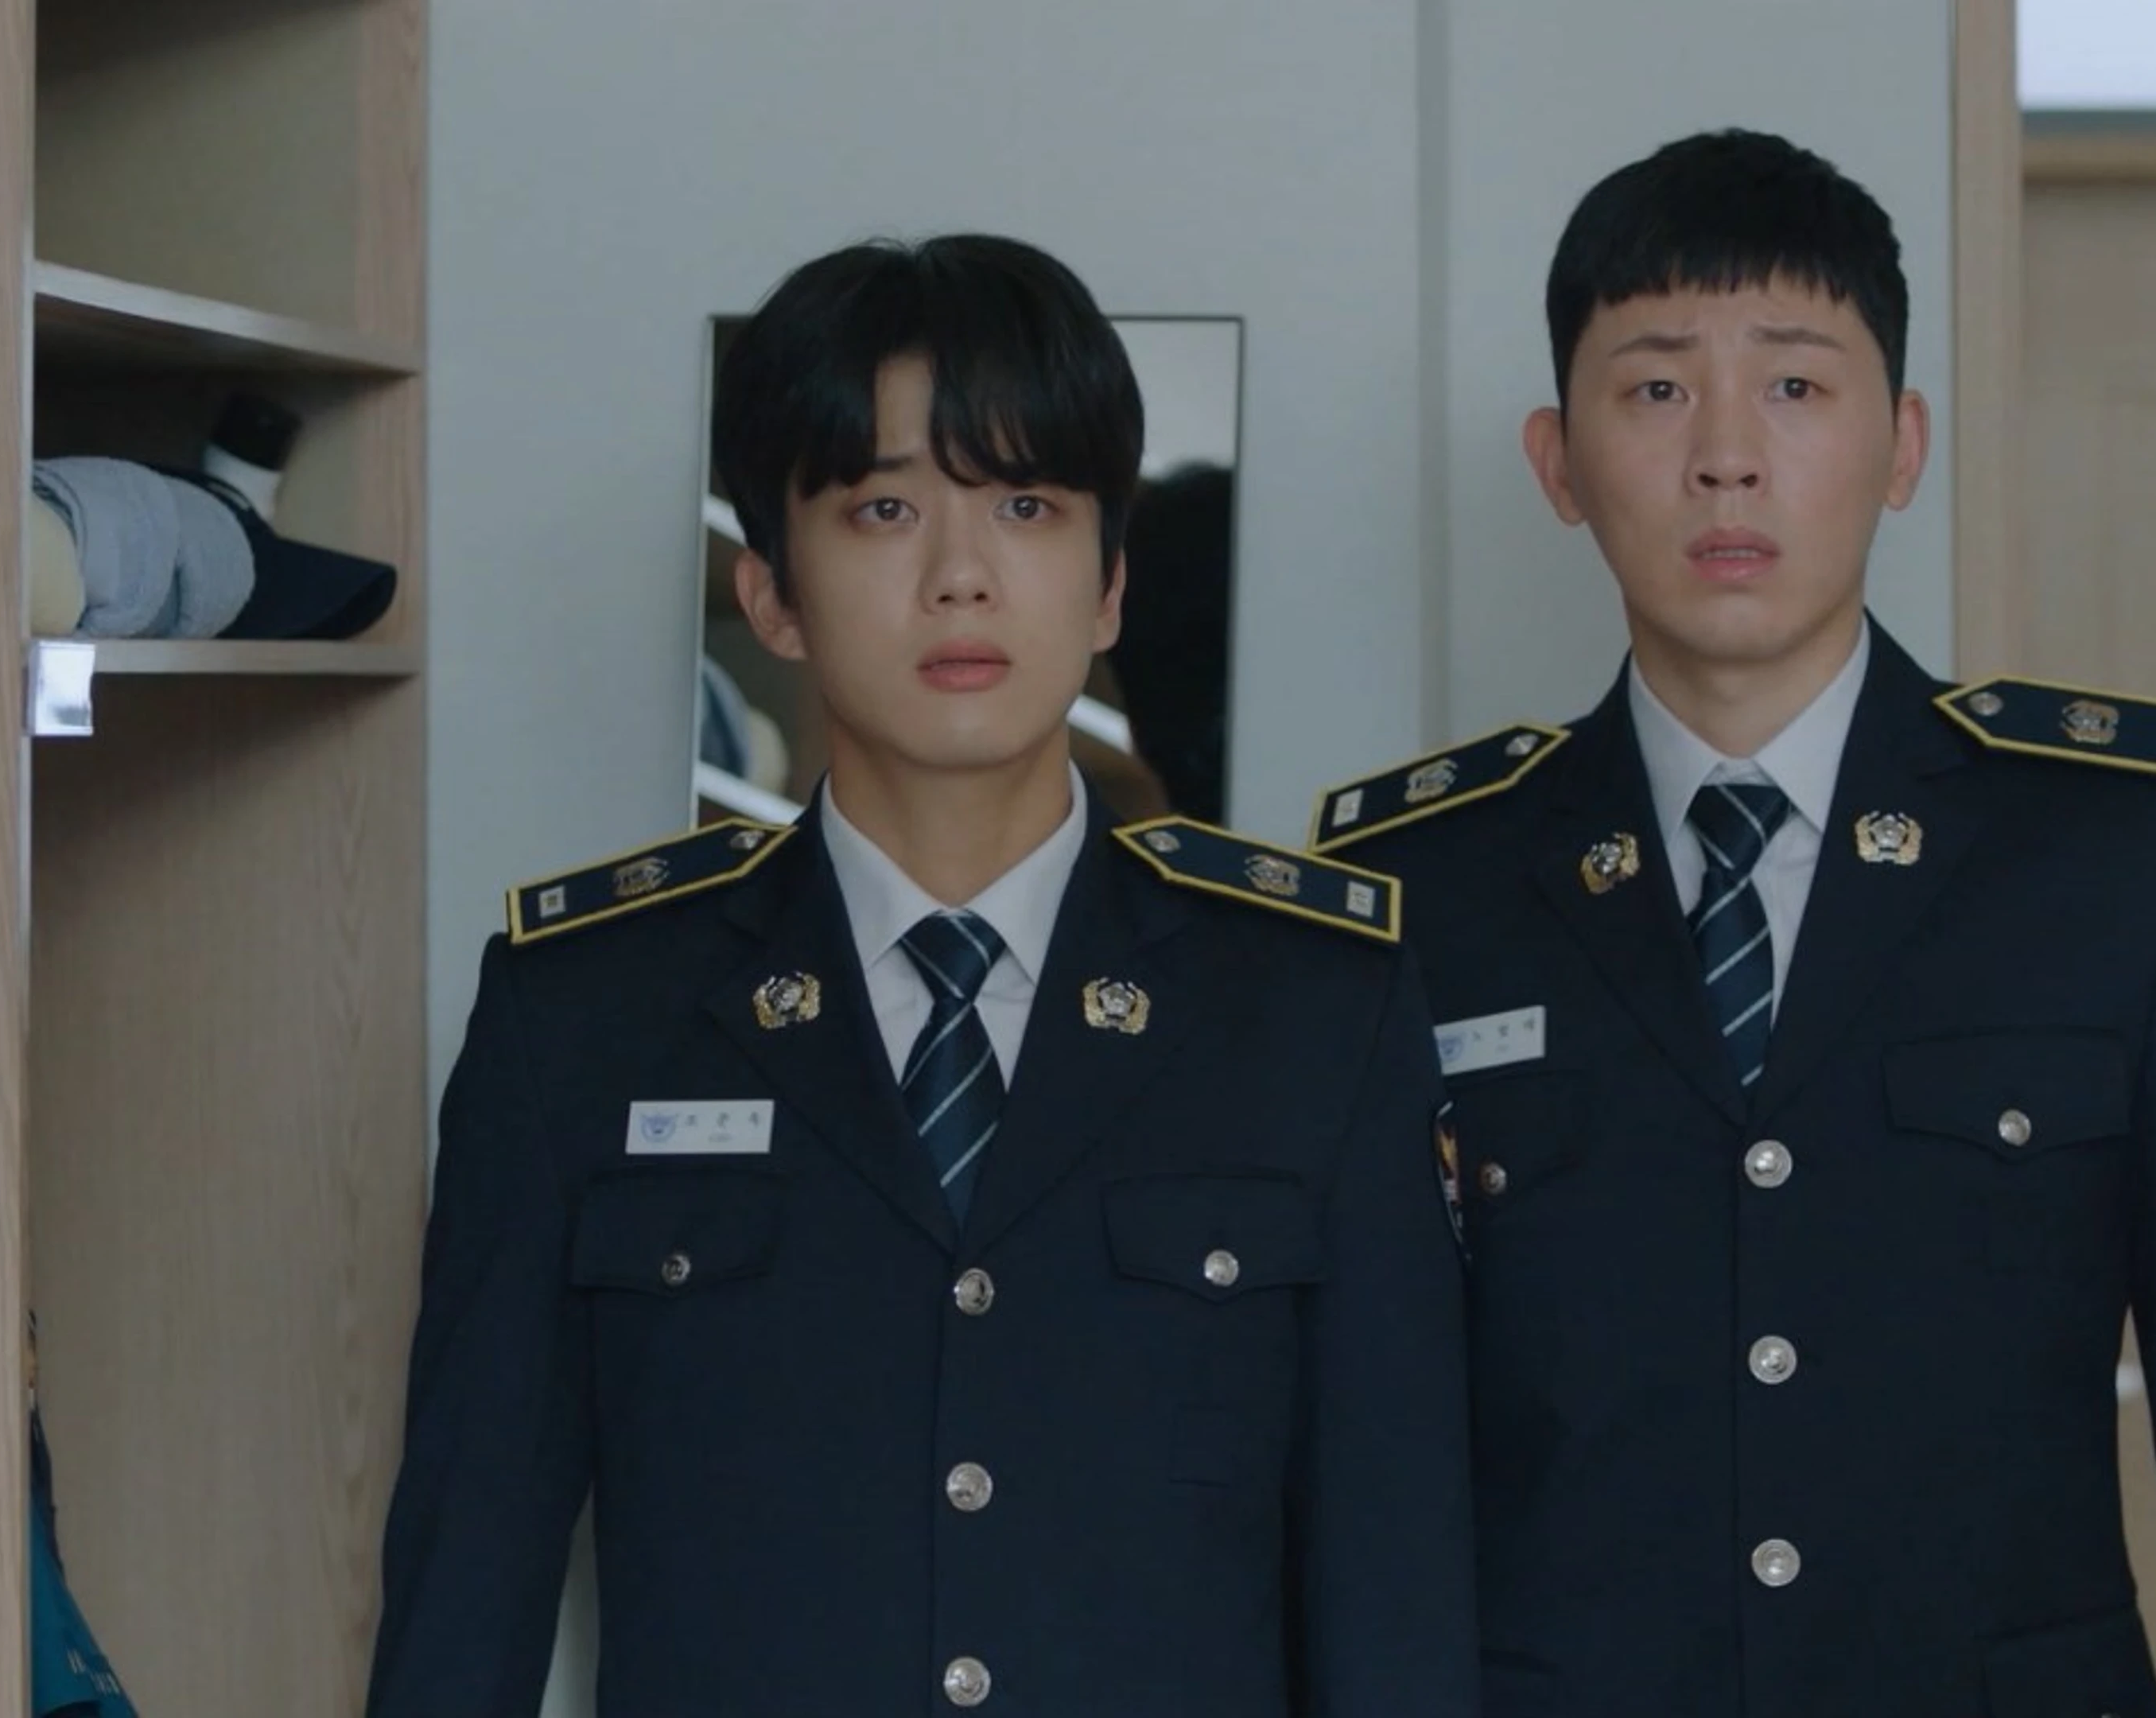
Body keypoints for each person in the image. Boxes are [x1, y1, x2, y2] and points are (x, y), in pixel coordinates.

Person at [1307, 130, 2156, 1717]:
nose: (1727, 457)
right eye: (1656, 387)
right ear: (1558, 463)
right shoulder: (1421, 889)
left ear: (1903, 444)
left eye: (1796, 385)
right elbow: (1363, 1451)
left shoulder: (2122, 856)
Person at [365, 232, 1477, 1718]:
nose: (962, 577)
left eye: (1027, 506)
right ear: (772, 593)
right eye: (884, 509)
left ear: (1109, 586)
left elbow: (1396, 1605)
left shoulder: (1313, 1009)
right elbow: (465, 1600)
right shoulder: (581, 1015)